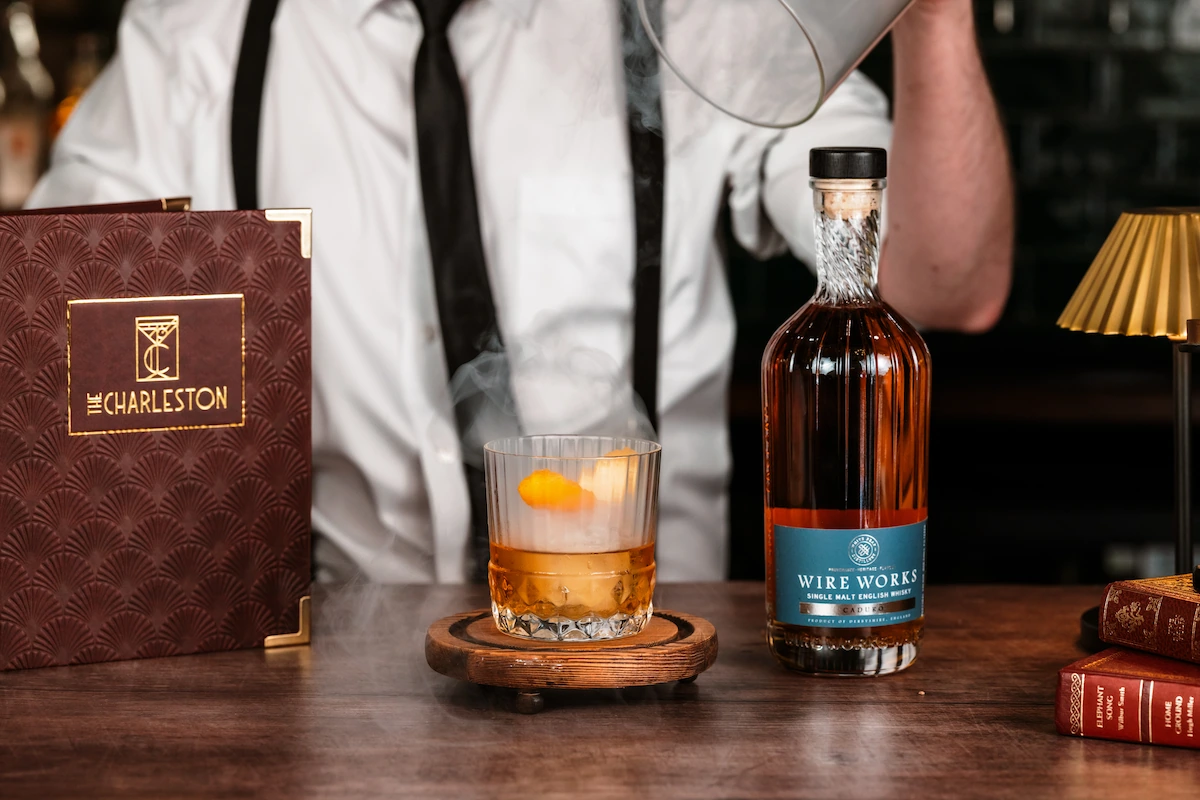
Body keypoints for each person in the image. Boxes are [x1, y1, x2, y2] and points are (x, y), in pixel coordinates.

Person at [29, 0, 1014, 583]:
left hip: (656, 673)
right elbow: (40, 338)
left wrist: (935, 16)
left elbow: (945, 281)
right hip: (328, 683)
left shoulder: (698, 17)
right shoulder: (199, 34)